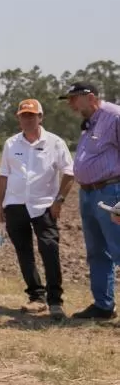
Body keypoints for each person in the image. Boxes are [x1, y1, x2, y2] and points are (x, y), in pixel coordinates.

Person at [0, 99, 73, 321]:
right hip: (15, 204)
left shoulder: (55, 143)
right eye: (23, 115)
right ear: (18, 118)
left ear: (40, 117)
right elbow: (3, 175)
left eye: (32, 115)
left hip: (44, 206)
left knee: (49, 249)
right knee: (24, 253)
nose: (27, 119)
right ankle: (36, 297)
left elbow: (69, 172)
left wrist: (59, 200)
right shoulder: (11, 144)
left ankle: (55, 301)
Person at [59, 81, 120, 320]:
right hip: (88, 193)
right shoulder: (89, 122)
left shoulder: (114, 117)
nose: (71, 104)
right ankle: (104, 305)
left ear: (90, 96)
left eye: (74, 98)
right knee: (97, 251)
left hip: (111, 192)